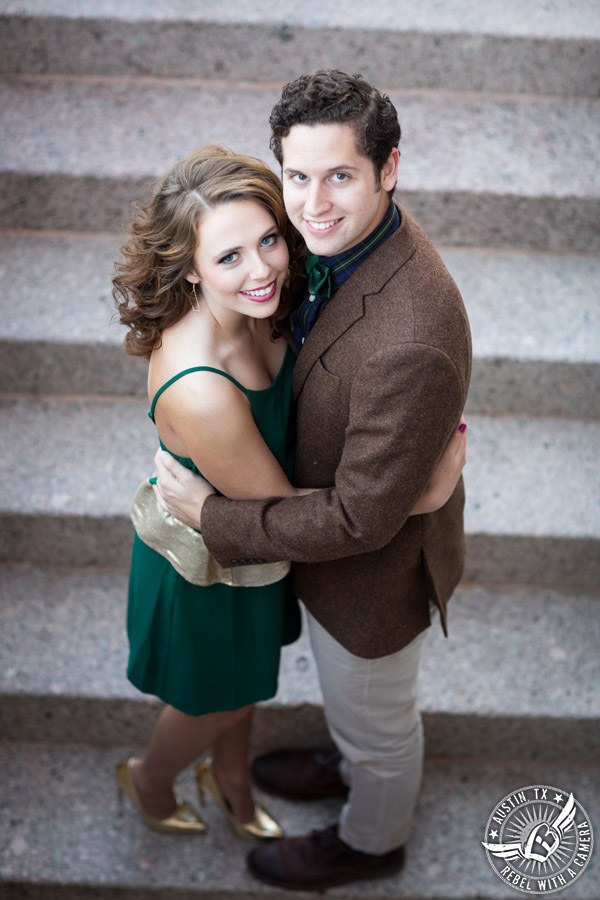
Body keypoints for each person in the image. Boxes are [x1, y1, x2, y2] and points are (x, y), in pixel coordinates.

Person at [153, 70, 472, 888]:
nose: (312, 204)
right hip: (342, 515)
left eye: (340, 176)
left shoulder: (409, 333)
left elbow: (360, 523)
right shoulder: (330, 245)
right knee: (359, 715)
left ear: (388, 169)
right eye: (298, 175)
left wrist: (211, 514)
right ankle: (348, 754)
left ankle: (372, 839)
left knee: (381, 724)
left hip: (370, 577)